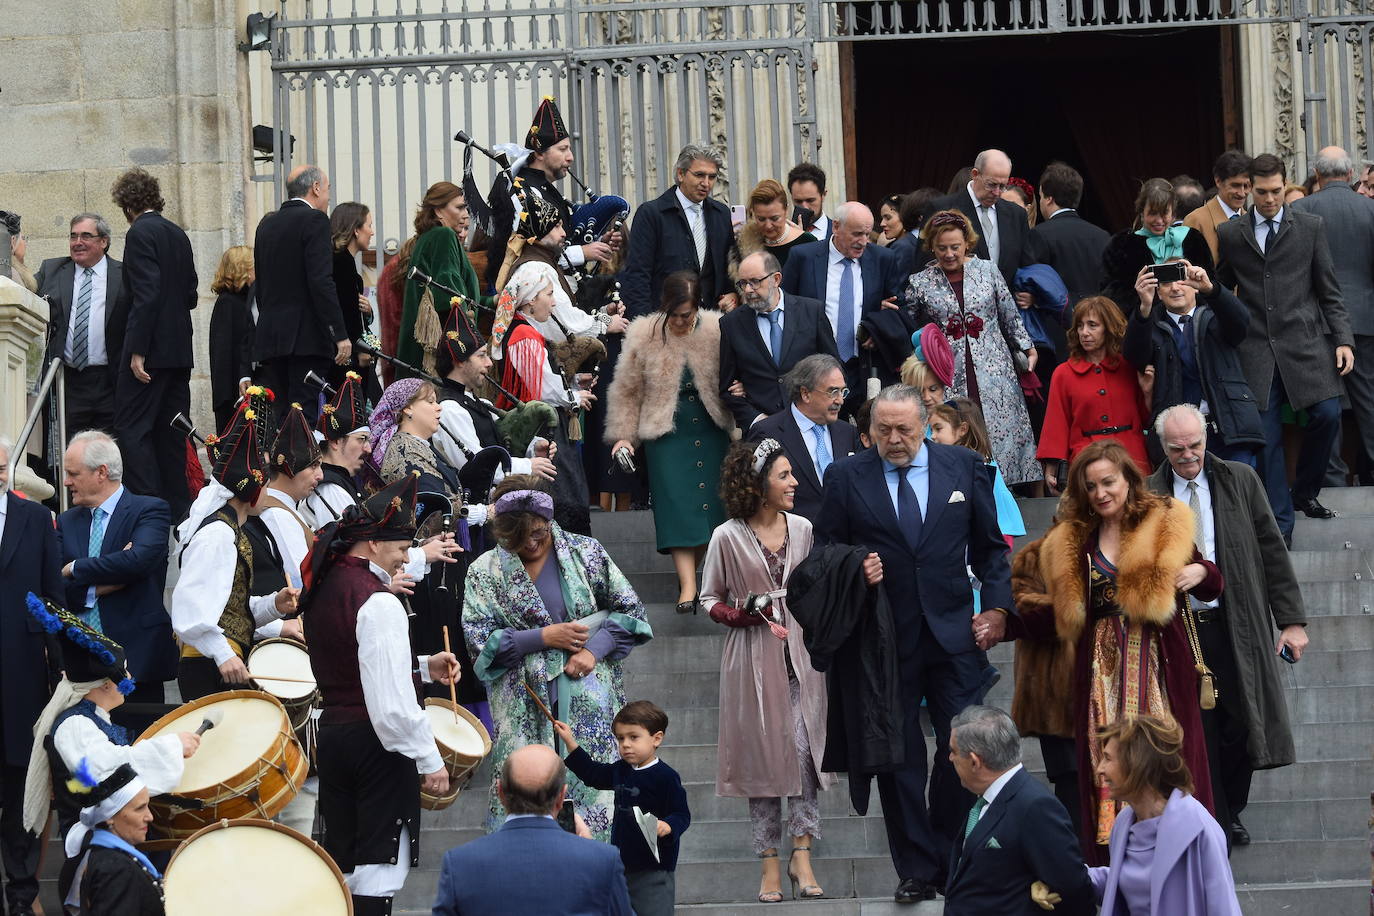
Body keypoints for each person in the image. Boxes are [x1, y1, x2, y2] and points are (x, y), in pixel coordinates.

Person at [815, 385, 1012, 902]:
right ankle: (917, 869)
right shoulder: (845, 475)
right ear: (870, 429)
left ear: (925, 423)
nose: (895, 440)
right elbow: (824, 550)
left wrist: (996, 609)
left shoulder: (963, 467)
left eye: (905, 429)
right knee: (897, 756)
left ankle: (948, 857)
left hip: (954, 634)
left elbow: (992, 551)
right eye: (884, 430)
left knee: (965, 747)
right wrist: (853, 565)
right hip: (881, 640)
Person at [1005, 439, 1221, 865]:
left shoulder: (1163, 525)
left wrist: (1201, 569)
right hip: (1099, 676)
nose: (1101, 493)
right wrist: (1004, 620)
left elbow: (1213, 584)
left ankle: (1176, 856)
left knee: (1166, 760)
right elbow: (1055, 618)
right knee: (1105, 764)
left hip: (1160, 668)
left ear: (1129, 480)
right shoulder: (1074, 541)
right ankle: (1115, 866)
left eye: (1109, 482)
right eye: (1091, 486)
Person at [298, 471, 460, 916]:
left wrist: (424, 666)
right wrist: (429, 758)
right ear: (372, 544)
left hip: (333, 738)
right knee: (379, 867)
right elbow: (389, 706)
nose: (404, 560)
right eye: (402, 549)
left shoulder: (324, 589)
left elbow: (356, 665)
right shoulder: (377, 599)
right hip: (375, 746)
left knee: (346, 863)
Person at [1147, 404, 1308, 848]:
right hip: (1182, 630)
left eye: (1195, 444)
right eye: (1177, 448)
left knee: (1242, 723)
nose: (1188, 455)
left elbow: (1272, 549)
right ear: (1163, 447)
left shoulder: (1240, 479)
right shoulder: (1149, 494)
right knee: (1200, 728)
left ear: (1206, 438)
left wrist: (1291, 620)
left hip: (1238, 621)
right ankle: (1216, 817)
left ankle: (1230, 805)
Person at [464, 478, 651, 839]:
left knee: (594, 795)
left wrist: (593, 651)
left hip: (588, 696)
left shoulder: (586, 552)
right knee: (524, 792)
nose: (531, 543)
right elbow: (478, 640)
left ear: (549, 521)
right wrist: (543, 637)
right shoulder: (484, 570)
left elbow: (631, 612)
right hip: (522, 702)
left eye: (538, 533)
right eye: (518, 539)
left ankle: (594, 872)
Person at [702, 439, 834, 902]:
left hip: (802, 657)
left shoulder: (803, 528)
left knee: (802, 752)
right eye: (784, 476)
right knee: (763, 761)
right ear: (758, 485)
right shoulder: (726, 535)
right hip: (751, 661)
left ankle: (802, 853)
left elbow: (819, 584)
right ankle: (769, 864)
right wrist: (744, 612)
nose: (794, 482)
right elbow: (708, 599)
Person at [1215, 152, 1354, 543]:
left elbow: (1330, 290)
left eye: (1276, 191)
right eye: (1261, 192)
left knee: (1328, 415)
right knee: (1267, 438)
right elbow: (1222, 287)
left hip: (1306, 344)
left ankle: (1305, 492)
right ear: (1250, 190)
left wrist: (1343, 339)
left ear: (1284, 184)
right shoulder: (1231, 234)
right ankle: (1281, 527)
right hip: (1256, 350)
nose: (1270, 199)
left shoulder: (1310, 226)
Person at [19, 594, 192, 897]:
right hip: (99, 852)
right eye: (124, 672)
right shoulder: (74, 726)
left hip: (120, 837)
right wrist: (172, 746)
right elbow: (108, 775)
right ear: (105, 684)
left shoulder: (94, 719)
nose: (130, 677)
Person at [605, 271, 733, 612]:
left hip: (710, 427)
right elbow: (627, 391)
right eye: (674, 314)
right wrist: (623, 438)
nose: (680, 321)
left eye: (687, 315)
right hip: (666, 433)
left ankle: (698, 574)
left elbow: (736, 373)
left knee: (712, 507)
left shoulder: (717, 329)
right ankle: (688, 586)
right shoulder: (643, 335)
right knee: (677, 507)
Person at [169, 405, 298, 701]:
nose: (267, 494)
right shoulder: (216, 535)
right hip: (207, 665)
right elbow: (190, 609)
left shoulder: (229, 530)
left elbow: (231, 610)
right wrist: (223, 654)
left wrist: (274, 605)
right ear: (252, 490)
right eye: (265, 486)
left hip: (218, 661)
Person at [904, 209, 1040, 486]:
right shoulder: (920, 283)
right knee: (957, 424)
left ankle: (1006, 489)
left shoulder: (987, 270)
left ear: (967, 242)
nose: (949, 254)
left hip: (994, 367)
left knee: (1001, 426)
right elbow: (912, 322)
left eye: (955, 247)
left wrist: (1026, 347)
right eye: (942, 248)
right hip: (948, 369)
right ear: (931, 246)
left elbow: (1008, 313)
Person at [431, 744, 633, 916]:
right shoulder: (603, 860)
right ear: (562, 797)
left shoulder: (459, 862)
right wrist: (589, 850)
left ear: (500, 792)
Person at [56, 431, 176, 705]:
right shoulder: (67, 522)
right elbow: (53, 585)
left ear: (101, 472)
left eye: (73, 473)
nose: (66, 482)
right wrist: (96, 588)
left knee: (140, 744)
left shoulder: (149, 510)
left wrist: (73, 568)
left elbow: (137, 562)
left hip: (136, 662)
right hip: (78, 667)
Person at [941, 706, 1095, 916]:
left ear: (975, 761)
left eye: (953, 751)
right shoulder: (986, 800)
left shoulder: (1035, 807)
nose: (950, 758)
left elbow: (1073, 888)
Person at [110, 167, 198, 521]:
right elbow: (190, 293)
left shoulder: (139, 233)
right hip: (179, 351)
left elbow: (145, 295)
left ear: (126, 204)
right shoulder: (177, 233)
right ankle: (179, 514)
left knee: (132, 429)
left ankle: (149, 510)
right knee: (172, 432)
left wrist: (138, 349)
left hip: (151, 353)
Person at [0, 435, 64, 916]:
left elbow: (51, 600)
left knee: (20, 787)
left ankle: (22, 895)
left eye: (2, 467)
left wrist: (61, 675)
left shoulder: (37, 518)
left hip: (22, 677)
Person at [1089, 715, 1243, 915]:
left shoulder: (1198, 828)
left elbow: (1223, 907)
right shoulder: (1123, 823)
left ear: (1136, 764)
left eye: (1108, 758)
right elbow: (1124, 882)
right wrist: (1065, 873)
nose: (1100, 768)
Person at [554, 701, 690, 916]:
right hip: (621, 863)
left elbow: (682, 814)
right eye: (620, 738)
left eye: (633, 737)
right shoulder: (621, 770)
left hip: (654, 868)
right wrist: (570, 742)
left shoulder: (666, 776)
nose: (625, 744)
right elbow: (593, 774)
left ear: (656, 738)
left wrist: (669, 825)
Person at [1122, 259, 1262, 466]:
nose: (1175, 288)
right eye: (1166, 283)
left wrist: (1211, 289)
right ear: (1159, 293)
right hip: (1180, 437)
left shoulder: (1217, 317)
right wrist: (1144, 307)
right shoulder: (1150, 325)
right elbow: (1135, 356)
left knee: (1236, 491)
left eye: (1181, 280)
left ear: (1195, 287)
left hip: (1228, 427)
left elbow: (1242, 323)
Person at [493, 261, 594, 534]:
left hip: (544, 424)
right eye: (549, 294)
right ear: (530, 301)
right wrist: (573, 395)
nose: (553, 302)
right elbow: (541, 390)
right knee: (563, 495)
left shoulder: (524, 330)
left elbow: (540, 379)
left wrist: (572, 382)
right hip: (543, 429)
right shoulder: (524, 334)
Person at [1292, 146, 1374, 484]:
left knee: (1327, 406)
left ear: (1318, 174)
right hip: (1366, 321)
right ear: (1351, 173)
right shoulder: (1370, 209)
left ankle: (1333, 482)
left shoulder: (1299, 210)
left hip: (1317, 323)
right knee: (1370, 403)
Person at [483, 97, 620, 292]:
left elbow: (558, 241)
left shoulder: (545, 189)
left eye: (569, 149)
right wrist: (582, 252)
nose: (570, 157)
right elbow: (524, 252)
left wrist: (597, 244)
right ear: (539, 152)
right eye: (563, 149)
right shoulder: (522, 193)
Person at [432, 304, 558, 512]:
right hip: (475, 517)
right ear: (460, 361)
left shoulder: (481, 404)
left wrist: (532, 447)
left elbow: (500, 442)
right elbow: (477, 466)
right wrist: (529, 466)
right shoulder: (450, 409)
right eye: (481, 355)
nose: (489, 362)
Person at [781, 202, 904, 409]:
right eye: (857, 234)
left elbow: (898, 307)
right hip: (817, 366)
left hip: (865, 365)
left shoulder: (883, 258)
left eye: (867, 234)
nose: (863, 241)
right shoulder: (803, 257)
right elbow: (786, 306)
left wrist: (878, 328)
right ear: (836, 227)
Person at [252, 165, 348, 423]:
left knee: (281, 415)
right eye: (327, 190)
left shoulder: (267, 225)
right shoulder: (315, 220)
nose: (328, 197)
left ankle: (281, 463)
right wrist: (338, 334)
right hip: (305, 338)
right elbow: (320, 281)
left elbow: (261, 285)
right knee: (303, 415)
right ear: (316, 188)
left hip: (272, 336)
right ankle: (299, 464)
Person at [1038, 296, 1151, 491]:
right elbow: (1056, 422)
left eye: (1092, 325)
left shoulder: (1130, 366)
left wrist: (1148, 391)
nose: (1084, 333)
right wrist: (1052, 466)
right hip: (1085, 460)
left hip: (1132, 458)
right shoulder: (1064, 373)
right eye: (1080, 326)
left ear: (1109, 328)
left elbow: (1148, 418)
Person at [36, 213, 131, 436]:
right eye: (73, 236)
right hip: (68, 381)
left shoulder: (124, 274)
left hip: (111, 380)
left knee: (109, 449)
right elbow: (24, 291)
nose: (78, 242)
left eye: (86, 236)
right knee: (70, 448)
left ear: (104, 241)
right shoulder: (52, 270)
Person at [721, 251, 839, 429]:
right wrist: (757, 419)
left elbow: (833, 369)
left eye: (754, 282)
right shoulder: (731, 323)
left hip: (813, 423)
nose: (747, 290)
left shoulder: (811, 311)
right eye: (742, 283)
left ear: (776, 279)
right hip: (762, 432)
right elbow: (727, 388)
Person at [620, 143, 734, 316]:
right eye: (699, 175)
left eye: (712, 177)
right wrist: (644, 327)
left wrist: (733, 294)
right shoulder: (652, 214)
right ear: (681, 174)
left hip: (711, 324)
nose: (706, 183)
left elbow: (728, 269)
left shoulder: (721, 214)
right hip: (665, 322)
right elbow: (637, 276)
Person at [745, 354, 858, 523]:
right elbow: (752, 494)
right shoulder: (767, 432)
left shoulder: (847, 432)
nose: (840, 400)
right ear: (805, 394)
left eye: (843, 391)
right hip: (792, 539)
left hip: (843, 540)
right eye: (833, 392)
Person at [395, 181, 482, 376]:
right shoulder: (443, 235)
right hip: (442, 345)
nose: (466, 214)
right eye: (459, 207)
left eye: (466, 208)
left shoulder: (430, 237)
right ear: (438, 211)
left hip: (423, 343)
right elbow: (448, 295)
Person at [928, 149, 1042, 288]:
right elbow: (925, 264)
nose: (997, 192)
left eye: (1002, 186)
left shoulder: (1016, 214)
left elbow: (1027, 265)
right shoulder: (942, 208)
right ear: (975, 174)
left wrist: (1029, 292)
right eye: (992, 184)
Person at [1100, 178, 1214, 316]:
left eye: (1164, 213)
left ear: (1173, 213)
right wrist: (1140, 296)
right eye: (1153, 213)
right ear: (1141, 212)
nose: (1159, 221)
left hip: (1192, 323)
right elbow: (1110, 296)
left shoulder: (1192, 238)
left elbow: (1210, 283)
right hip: (1144, 325)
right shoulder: (1122, 244)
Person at [63, 764, 165, 915]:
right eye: (139, 808)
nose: (150, 817)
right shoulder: (116, 869)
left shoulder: (101, 855)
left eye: (148, 807)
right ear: (110, 816)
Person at [927, 398, 1025, 551]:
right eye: (931, 430)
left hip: (996, 530)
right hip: (992, 529)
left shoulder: (972, 462)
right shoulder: (971, 458)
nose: (932, 436)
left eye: (938, 429)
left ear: (962, 429)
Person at [256, 405, 325, 590]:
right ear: (290, 468)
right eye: (313, 466)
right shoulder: (278, 516)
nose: (320, 475)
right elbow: (300, 580)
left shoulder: (286, 509)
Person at [1034, 162, 1110, 309]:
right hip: (1095, 322)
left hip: (1057, 325)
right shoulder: (1102, 236)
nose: (1041, 202)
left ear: (1049, 198)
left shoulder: (1039, 234)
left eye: (1041, 196)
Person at [330, 201, 380, 399]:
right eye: (369, 225)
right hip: (347, 357)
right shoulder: (341, 263)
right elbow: (344, 312)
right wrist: (361, 350)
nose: (372, 232)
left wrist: (368, 311)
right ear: (356, 230)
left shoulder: (344, 261)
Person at [207, 245, 257, 432]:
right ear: (242, 268)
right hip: (232, 393)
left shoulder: (242, 300)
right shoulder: (229, 303)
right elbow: (225, 353)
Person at [731, 179, 817, 269]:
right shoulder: (744, 245)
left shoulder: (806, 242)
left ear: (786, 210)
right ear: (753, 213)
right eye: (761, 219)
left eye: (774, 218)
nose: (768, 225)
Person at [1183, 150, 1252, 262]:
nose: (1242, 193)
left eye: (1247, 186)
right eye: (1235, 185)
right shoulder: (1196, 221)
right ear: (1218, 181)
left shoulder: (1252, 220)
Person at [787, 162, 832, 240]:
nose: (805, 207)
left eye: (810, 200)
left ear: (823, 195)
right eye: (798, 201)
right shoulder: (783, 235)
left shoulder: (839, 233)